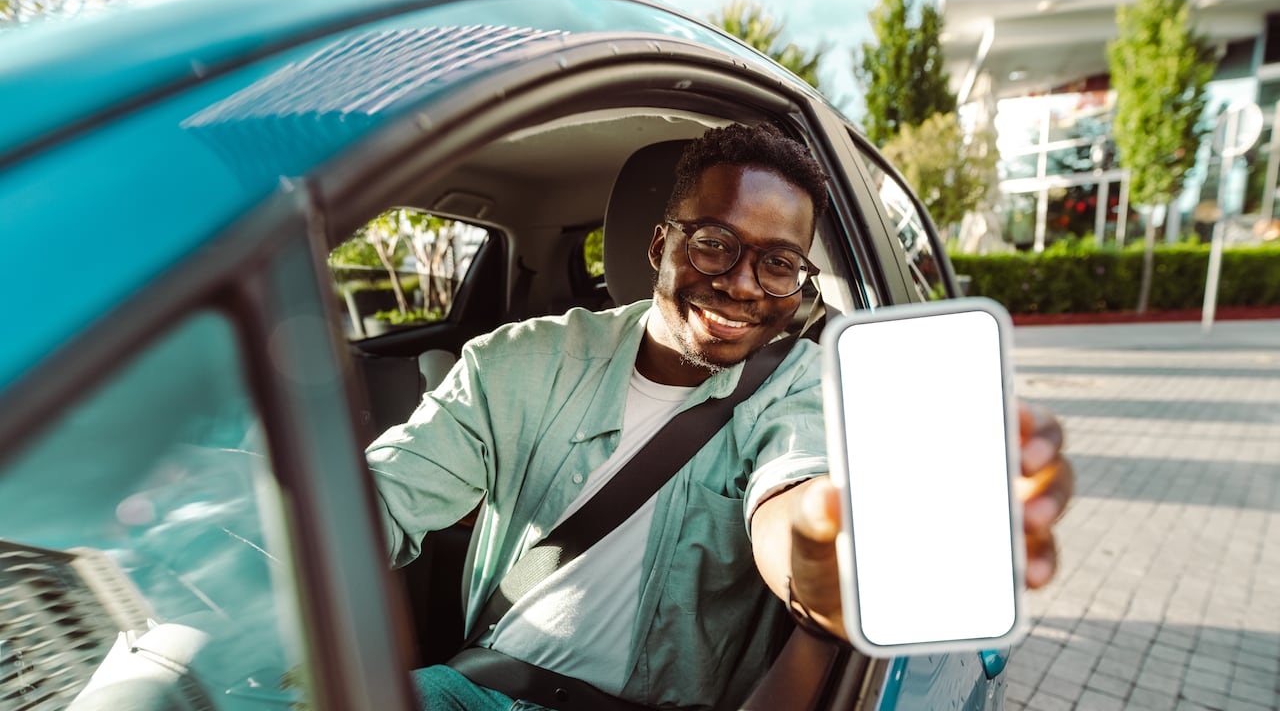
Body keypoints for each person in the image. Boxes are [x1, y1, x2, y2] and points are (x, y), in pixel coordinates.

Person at [368, 123, 1073, 711]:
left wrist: (835, 563)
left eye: (778, 264)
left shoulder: (803, 388)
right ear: (660, 247)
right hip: (472, 690)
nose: (740, 282)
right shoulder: (516, 362)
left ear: (799, 284)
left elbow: (793, 499)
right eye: (713, 242)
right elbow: (375, 506)